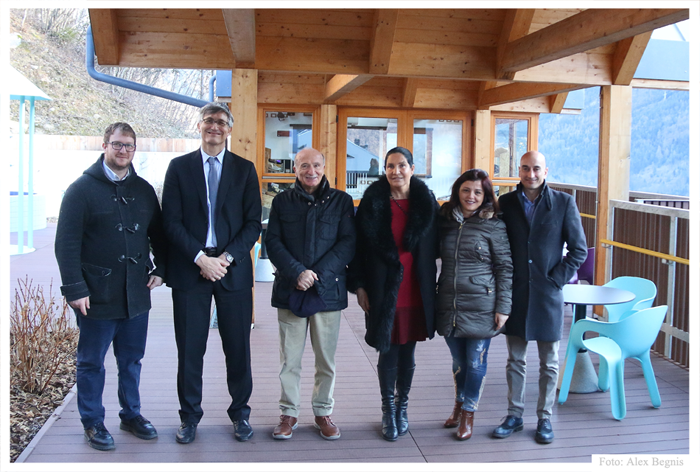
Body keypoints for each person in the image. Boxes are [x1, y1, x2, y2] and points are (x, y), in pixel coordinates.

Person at [55, 122, 167, 451]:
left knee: (131, 361)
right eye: (117, 144)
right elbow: (66, 244)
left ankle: (131, 414)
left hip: (136, 294)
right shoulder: (81, 190)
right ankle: (92, 421)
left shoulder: (144, 190)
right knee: (92, 362)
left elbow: (159, 236)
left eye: (129, 146)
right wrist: (75, 289)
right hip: (96, 296)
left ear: (135, 149)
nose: (123, 151)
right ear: (105, 145)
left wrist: (161, 269)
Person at [161, 102, 262, 444]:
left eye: (220, 122)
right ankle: (189, 417)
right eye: (208, 121)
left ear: (229, 129)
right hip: (191, 270)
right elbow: (169, 222)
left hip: (232, 270)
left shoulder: (245, 169)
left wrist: (227, 258)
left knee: (238, 348)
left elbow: (252, 224)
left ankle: (240, 415)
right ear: (199, 126)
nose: (214, 127)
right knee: (190, 349)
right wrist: (200, 258)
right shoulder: (178, 168)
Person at [493, 151, 586, 444]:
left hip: (548, 295)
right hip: (516, 293)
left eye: (536, 169)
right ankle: (514, 415)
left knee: (549, 361)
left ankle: (545, 418)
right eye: (525, 168)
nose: (530, 174)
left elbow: (578, 250)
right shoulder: (506, 203)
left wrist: (556, 279)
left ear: (546, 170)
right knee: (515, 360)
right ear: (518, 170)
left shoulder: (563, 202)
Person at [348, 146, 439, 441]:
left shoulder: (427, 204)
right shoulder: (372, 203)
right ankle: (387, 408)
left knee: (409, 351)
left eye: (401, 166)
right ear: (384, 170)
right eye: (390, 166)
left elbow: (444, 241)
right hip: (382, 287)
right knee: (387, 349)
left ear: (412, 168)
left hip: (416, 286)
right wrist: (359, 285)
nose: (396, 171)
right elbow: (358, 250)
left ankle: (402, 406)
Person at [265, 147, 356, 441]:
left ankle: (322, 412)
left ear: (324, 167)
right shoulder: (282, 201)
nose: (311, 171)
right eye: (304, 166)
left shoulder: (341, 201)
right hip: (291, 291)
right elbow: (273, 242)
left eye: (316, 165)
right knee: (289, 359)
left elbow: (347, 243)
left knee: (325, 360)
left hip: (327, 292)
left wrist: (316, 274)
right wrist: (297, 272)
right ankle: (288, 413)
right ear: (295, 169)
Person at [435, 169, 512, 440]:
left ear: (486, 196)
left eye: (478, 192)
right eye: (466, 190)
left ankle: (468, 413)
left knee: (476, 362)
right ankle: (458, 405)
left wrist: (503, 307)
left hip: (483, 303)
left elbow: (505, 267)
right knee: (459, 360)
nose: (471, 196)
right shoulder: (445, 220)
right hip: (449, 302)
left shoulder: (494, 225)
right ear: (458, 191)